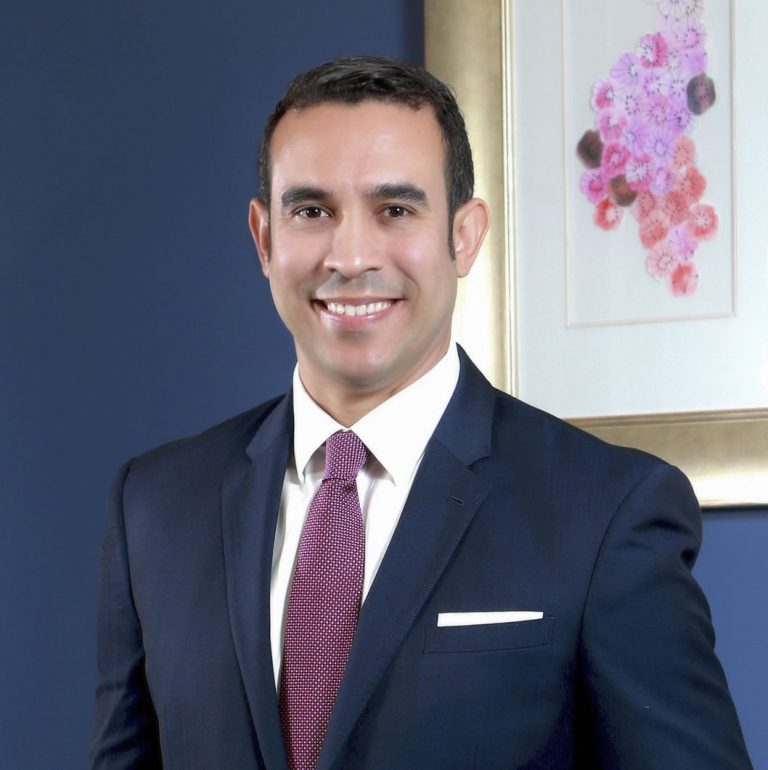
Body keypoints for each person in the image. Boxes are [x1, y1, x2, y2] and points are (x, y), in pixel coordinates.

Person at [91, 56, 752, 769]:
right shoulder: (155, 508)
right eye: (312, 211)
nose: (350, 257)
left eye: (396, 210)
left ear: (464, 236)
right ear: (264, 239)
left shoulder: (606, 512)